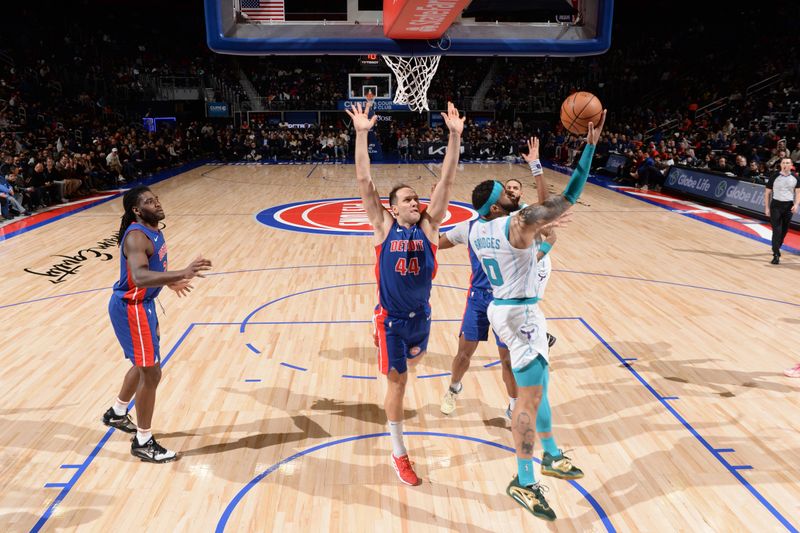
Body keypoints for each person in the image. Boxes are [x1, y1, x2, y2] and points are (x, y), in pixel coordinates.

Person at [468, 111, 606, 521]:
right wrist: (589, 147)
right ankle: (524, 480)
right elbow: (567, 198)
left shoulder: (477, 228)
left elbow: (444, 237)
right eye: (506, 191)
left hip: (518, 311)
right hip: (518, 316)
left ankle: (552, 455)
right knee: (527, 401)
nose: (513, 192)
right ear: (498, 204)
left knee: (539, 390)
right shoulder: (517, 223)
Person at [346, 101, 464, 486]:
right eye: (407, 200)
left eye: (417, 198)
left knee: (413, 366)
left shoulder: (430, 228)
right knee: (398, 382)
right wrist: (362, 134)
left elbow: (445, 183)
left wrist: (454, 136)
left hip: (422, 319)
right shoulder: (383, 227)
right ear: (393, 209)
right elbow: (366, 183)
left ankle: (389, 355)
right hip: (392, 321)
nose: (415, 202)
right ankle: (399, 454)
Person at [102, 186, 212, 463]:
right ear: (137, 210)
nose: (157, 203)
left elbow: (151, 269)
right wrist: (183, 272)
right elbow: (139, 276)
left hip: (143, 306)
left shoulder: (153, 229)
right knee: (151, 373)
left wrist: (169, 280)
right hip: (132, 308)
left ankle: (117, 412)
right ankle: (143, 441)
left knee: (144, 365)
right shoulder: (137, 236)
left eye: (157, 198)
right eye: (150, 201)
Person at [764, 157, 798, 264]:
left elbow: (798, 192)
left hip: (788, 206)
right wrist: (767, 207)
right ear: (781, 164)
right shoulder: (774, 176)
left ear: (791, 165)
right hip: (776, 206)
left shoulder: (795, 177)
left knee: (784, 232)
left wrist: (796, 204)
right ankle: (776, 254)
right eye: (783, 162)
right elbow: (767, 193)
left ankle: (776, 246)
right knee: (777, 231)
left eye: (787, 163)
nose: (785, 164)